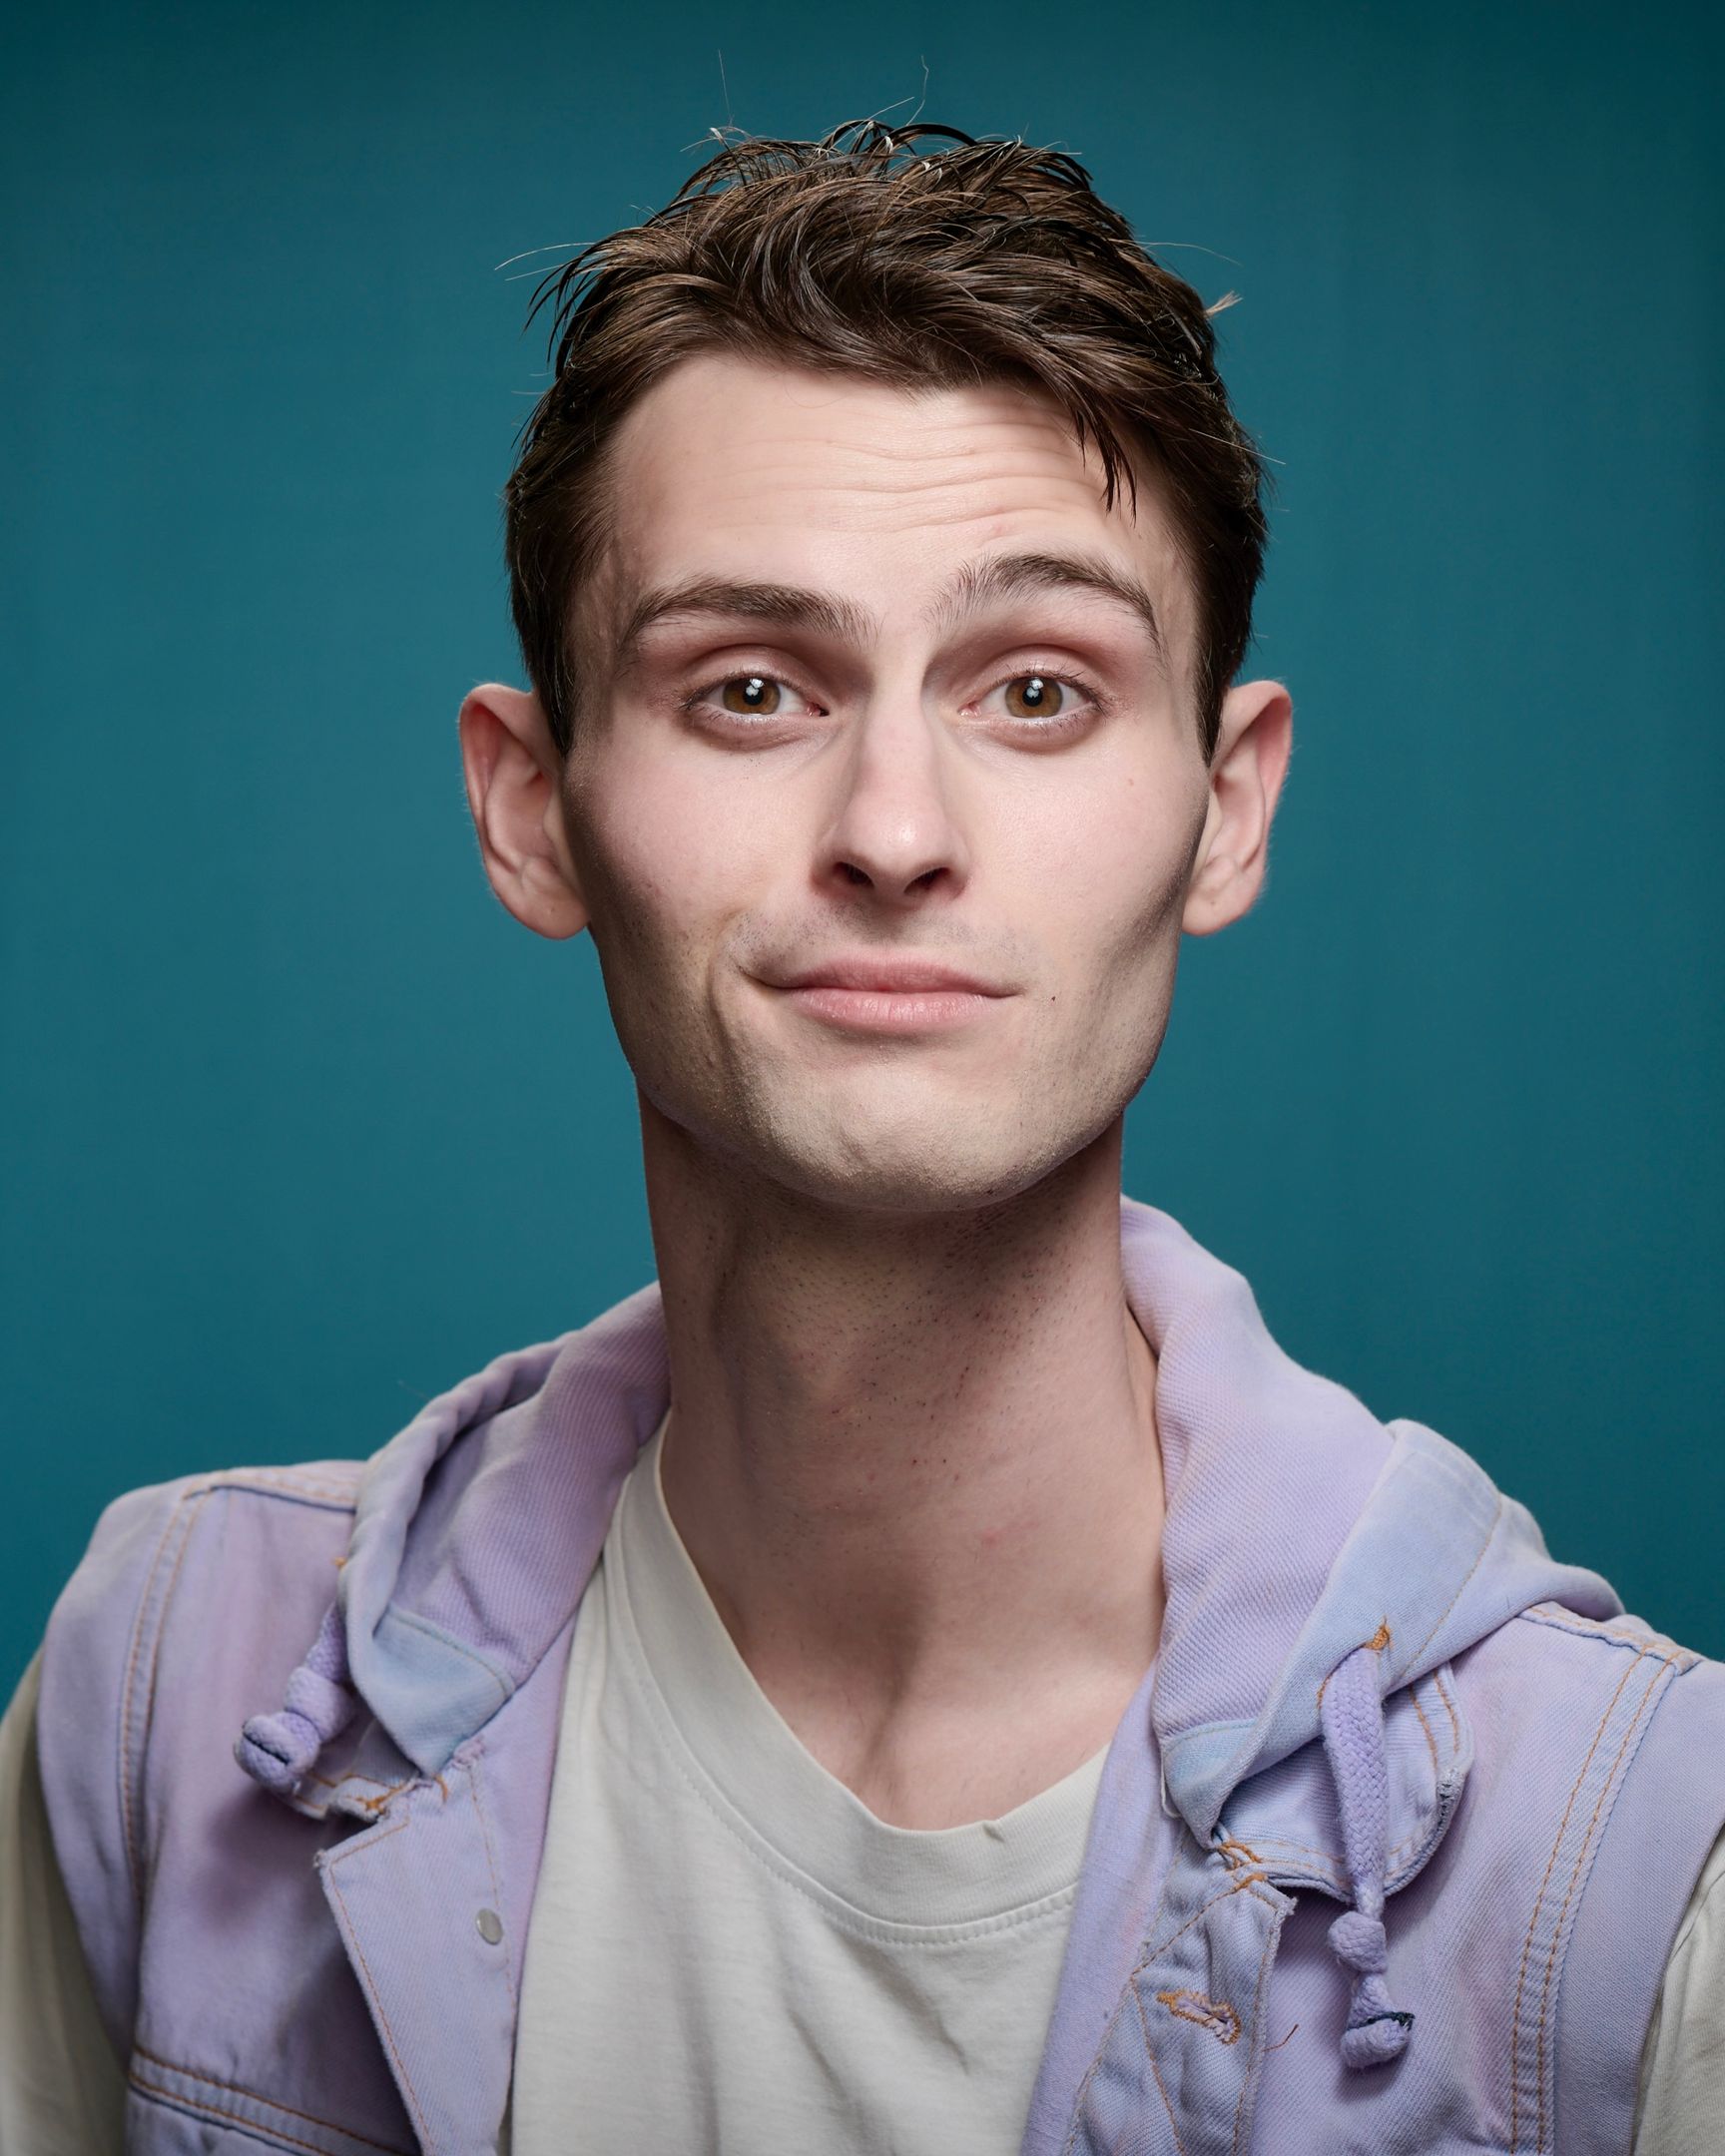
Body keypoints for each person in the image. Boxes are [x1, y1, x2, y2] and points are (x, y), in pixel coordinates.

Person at [1, 119, 1720, 2156]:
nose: (895, 832)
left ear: (1227, 807)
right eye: (750, 688)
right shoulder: (163, 1691)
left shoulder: (1632, 1879)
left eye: (1038, 692)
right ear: (533, 811)